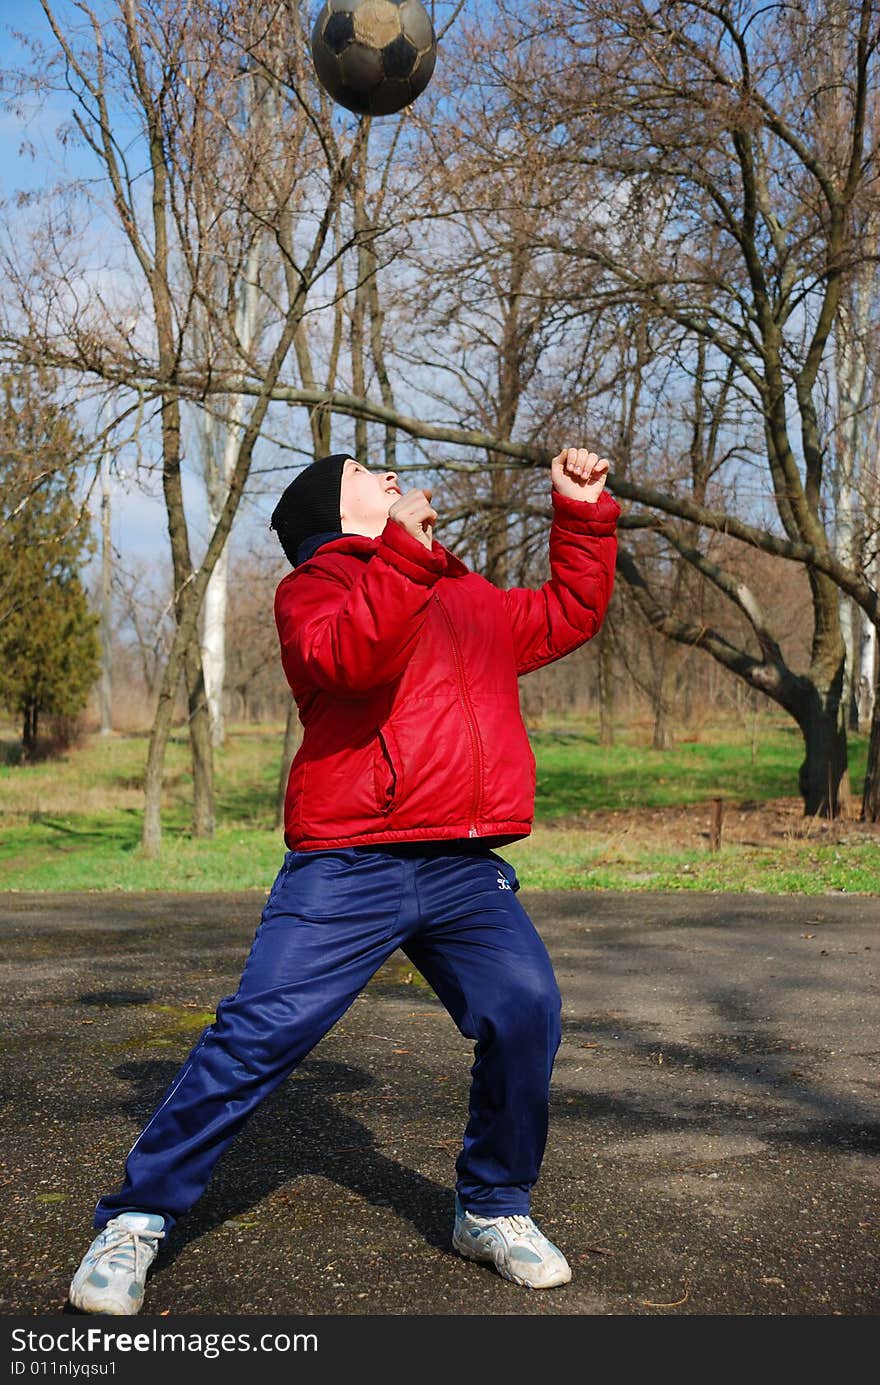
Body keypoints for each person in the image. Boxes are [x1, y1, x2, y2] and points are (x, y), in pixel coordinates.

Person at [68, 446, 620, 1314]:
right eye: (369, 472)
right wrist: (404, 552)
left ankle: (491, 1205)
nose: (393, 476)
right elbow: (347, 662)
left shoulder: (463, 594)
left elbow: (568, 613)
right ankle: (136, 1216)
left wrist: (580, 514)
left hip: (459, 863)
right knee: (258, 1033)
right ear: (334, 508)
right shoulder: (312, 589)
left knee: (527, 1007)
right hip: (349, 860)